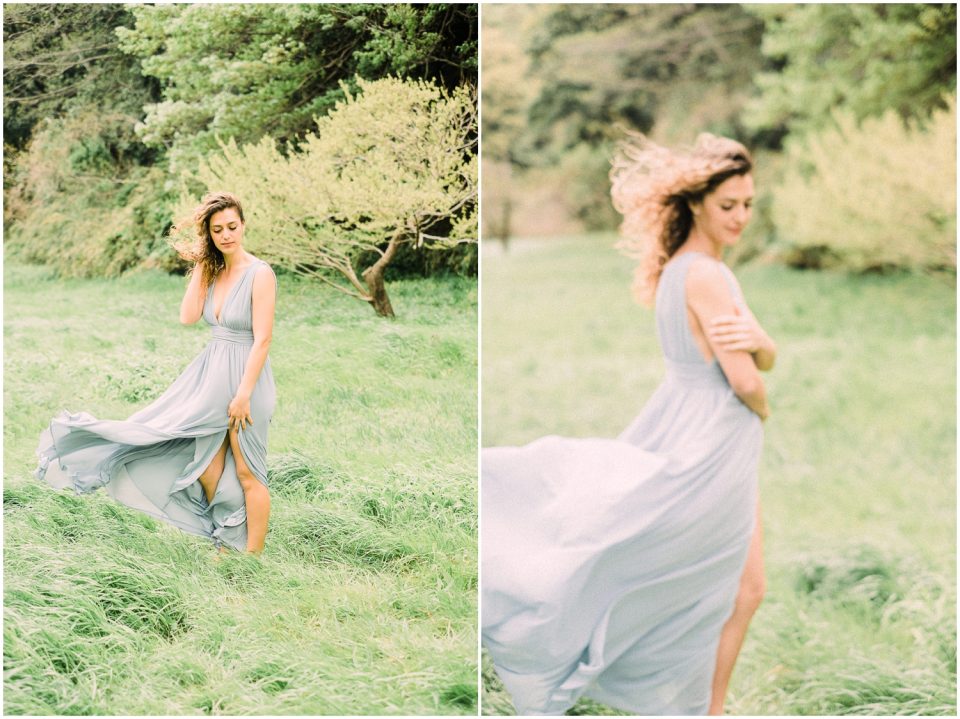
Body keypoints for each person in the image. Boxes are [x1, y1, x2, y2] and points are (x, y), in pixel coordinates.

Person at [481, 134, 775, 715]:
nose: (741, 217)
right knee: (740, 588)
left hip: (688, 425)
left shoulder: (681, 270)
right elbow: (745, 380)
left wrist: (767, 344)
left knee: (733, 586)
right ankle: (705, 710)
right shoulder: (709, 276)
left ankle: (703, 708)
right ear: (695, 204)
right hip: (714, 441)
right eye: (728, 206)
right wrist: (765, 404)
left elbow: (753, 351)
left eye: (748, 204)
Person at [35, 191, 277, 553]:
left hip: (248, 381)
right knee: (205, 464)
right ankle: (228, 540)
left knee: (246, 471)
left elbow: (263, 339)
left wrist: (243, 394)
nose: (226, 235)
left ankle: (253, 555)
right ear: (208, 235)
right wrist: (200, 264)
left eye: (231, 226)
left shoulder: (260, 274)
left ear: (243, 226)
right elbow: (188, 317)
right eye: (217, 230)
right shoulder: (213, 271)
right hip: (211, 376)